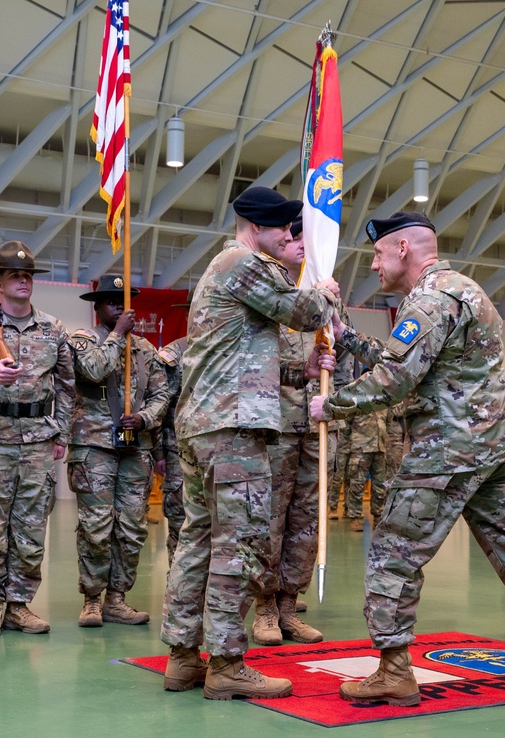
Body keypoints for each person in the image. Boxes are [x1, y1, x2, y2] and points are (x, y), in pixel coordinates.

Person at [310, 212, 505, 714]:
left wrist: (329, 405)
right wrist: (346, 334)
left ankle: (395, 673)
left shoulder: (429, 298)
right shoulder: (462, 290)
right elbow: (417, 362)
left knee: (393, 556)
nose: (375, 265)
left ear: (403, 248)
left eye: (378, 254)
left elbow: (395, 381)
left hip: (448, 451)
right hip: (498, 451)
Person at [159, 186, 339, 701]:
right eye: (282, 226)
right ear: (254, 227)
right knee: (238, 545)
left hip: (206, 425)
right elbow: (303, 312)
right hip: (232, 428)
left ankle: (183, 657)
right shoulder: (242, 260)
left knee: (197, 542)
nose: (290, 234)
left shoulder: (229, 267)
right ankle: (228, 662)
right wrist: (327, 290)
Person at [0, 241, 74, 636]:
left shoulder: (54, 330)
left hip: (39, 440)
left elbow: (67, 388)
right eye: (14, 275)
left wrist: (62, 435)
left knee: (31, 528)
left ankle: (19, 605)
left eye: (28, 275)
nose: (23, 281)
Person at [251, 215, 347, 648]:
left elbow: (341, 358)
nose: (303, 244)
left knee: (306, 522)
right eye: (296, 236)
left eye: (310, 237)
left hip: (316, 425)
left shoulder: (326, 295)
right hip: (276, 425)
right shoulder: (268, 295)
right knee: (270, 519)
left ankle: (290, 606)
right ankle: (266, 608)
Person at [67, 275, 171, 627]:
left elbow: (162, 396)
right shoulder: (83, 341)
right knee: (96, 527)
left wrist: (143, 419)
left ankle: (117, 598)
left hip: (135, 450)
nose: (119, 308)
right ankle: (92, 600)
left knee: (131, 527)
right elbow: (95, 370)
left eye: (123, 302)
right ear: (97, 308)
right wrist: (117, 335)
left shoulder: (145, 350)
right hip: (94, 447)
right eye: (111, 302)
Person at [155, 331, 188, 565]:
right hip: (180, 453)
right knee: (180, 526)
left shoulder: (229, 346)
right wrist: (158, 453)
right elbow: (159, 406)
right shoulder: (173, 354)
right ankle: (179, 594)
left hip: (223, 454)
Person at [343, 402, 389, 531]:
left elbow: (388, 423)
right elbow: (346, 426)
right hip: (360, 448)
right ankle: (355, 517)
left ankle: (377, 517)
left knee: (380, 486)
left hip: (380, 449)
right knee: (357, 485)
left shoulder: (384, 403)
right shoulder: (357, 401)